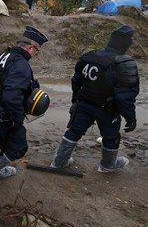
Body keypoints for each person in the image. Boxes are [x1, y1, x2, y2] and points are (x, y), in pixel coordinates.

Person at [50, 25, 139, 172]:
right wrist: (131, 118)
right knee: (111, 137)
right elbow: (126, 96)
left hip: (84, 103)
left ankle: (59, 162)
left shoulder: (89, 55)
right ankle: (107, 165)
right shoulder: (124, 63)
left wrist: (75, 102)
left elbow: (76, 82)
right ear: (125, 43)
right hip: (107, 110)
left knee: (73, 131)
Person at [0, 26, 48, 187]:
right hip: (5, 112)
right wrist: (17, 117)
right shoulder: (21, 64)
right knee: (18, 146)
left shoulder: (2, 55)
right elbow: (11, 96)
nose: (35, 54)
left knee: (3, 138)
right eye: (37, 51)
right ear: (30, 47)